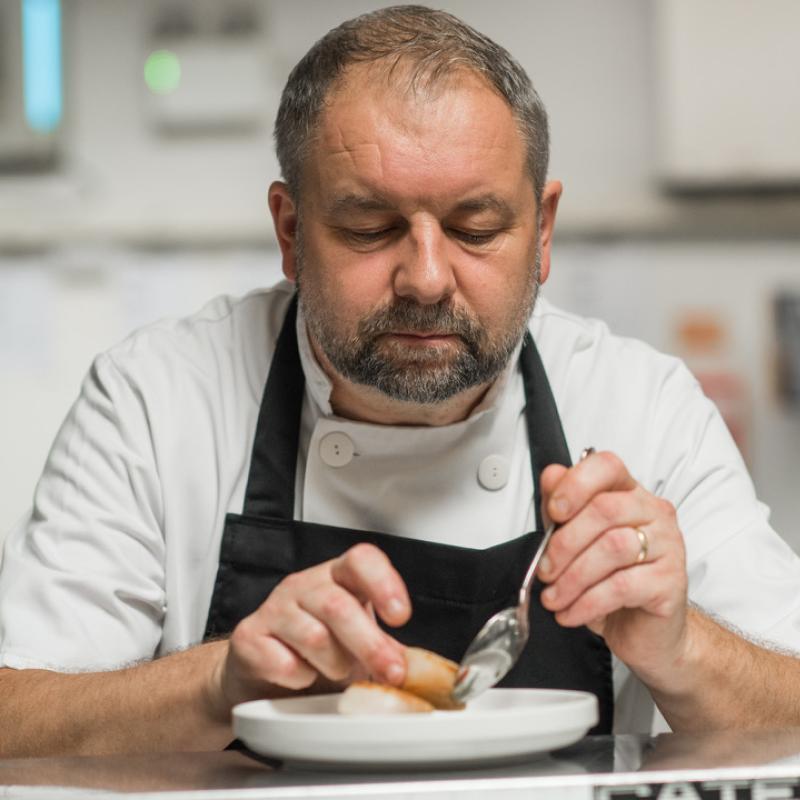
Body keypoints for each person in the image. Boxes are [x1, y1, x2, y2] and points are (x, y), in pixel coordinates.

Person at [1, 5, 800, 758]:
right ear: (290, 231)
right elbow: (14, 721)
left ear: (544, 231)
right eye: (368, 228)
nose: (424, 278)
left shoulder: (642, 405)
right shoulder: (156, 400)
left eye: (476, 228)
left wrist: (686, 647)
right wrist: (218, 685)